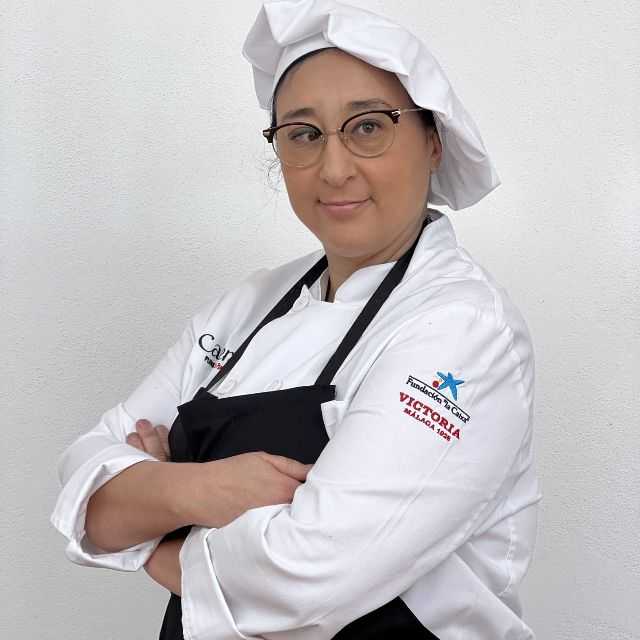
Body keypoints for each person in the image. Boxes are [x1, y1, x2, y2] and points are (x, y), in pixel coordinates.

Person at [50, 1, 542, 638]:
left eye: (369, 126)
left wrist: (152, 537)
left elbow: (308, 574)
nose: (334, 169)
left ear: (433, 141)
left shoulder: (465, 327)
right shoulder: (246, 307)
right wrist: (200, 491)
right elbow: (85, 486)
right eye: (304, 134)